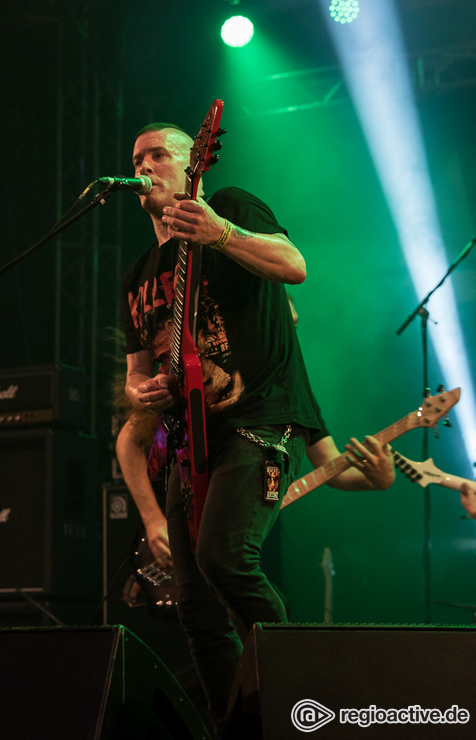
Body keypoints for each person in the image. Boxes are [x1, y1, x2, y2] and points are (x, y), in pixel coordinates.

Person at [121, 122, 395, 736]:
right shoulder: (138, 273)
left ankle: (300, 700)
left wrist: (220, 232)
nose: (144, 165)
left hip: (254, 425)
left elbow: (293, 265)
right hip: (187, 444)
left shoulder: (232, 207)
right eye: (136, 158)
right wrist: (144, 391)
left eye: (159, 154)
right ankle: (232, 727)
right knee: (193, 606)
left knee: (225, 557)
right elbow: (136, 377)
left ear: (195, 164)